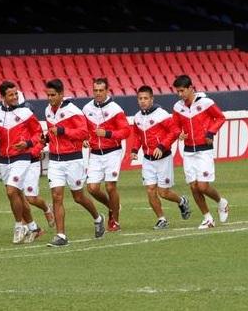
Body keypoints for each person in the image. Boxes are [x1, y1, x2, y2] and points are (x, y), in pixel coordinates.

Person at [44, 78, 105, 247]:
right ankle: (61, 235)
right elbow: (52, 133)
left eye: (53, 95)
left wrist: (63, 131)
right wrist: (46, 138)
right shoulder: (48, 110)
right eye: (48, 95)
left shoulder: (73, 111)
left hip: (73, 159)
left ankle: (98, 217)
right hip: (55, 160)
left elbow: (84, 133)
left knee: (78, 197)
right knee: (56, 196)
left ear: (62, 94)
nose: (50, 98)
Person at [0, 81, 44, 244]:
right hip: (4, 159)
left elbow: (39, 134)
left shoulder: (26, 113)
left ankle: (19, 226)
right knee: (17, 195)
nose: (14, 97)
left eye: (16, 94)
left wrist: (28, 144)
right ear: (2, 97)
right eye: (11, 95)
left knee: (11, 191)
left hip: (22, 157)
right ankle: (33, 227)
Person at [172, 75, 229, 229]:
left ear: (191, 88)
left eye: (182, 91)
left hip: (204, 149)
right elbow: (175, 125)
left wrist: (210, 132)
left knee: (203, 186)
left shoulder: (206, 103)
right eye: (177, 91)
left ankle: (221, 202)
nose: (180, 94)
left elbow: (220, 118)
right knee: (193, 186)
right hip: (189, 150)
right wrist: (179, 133)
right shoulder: (178, 107)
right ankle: (208, 218)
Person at [131, 85, 191, 229]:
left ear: (152, 99)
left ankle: (182, 201)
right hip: (147, 160)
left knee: (163, 192)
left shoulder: (161, 114)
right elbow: (137, 136)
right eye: (140, 98)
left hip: (163, 158)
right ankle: (161, 219)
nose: (143, 101)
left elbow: (175, 131)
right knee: (150, 189)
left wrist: (161, 146)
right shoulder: (137, 118)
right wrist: (134, 150)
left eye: (146, 98)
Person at [82, 78, 131, 232]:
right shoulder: (86, 108)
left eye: (101, 90)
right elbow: (83, 129)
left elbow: (126, 132)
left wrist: (107, 133)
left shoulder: (116, 109)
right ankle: (112, 207)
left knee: (110, 186)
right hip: (95, 153)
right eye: (95, 90)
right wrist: (84, 139)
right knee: (92, 188)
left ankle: (114, 220)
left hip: (113, 152)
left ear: (107, 91)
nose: (97, 93)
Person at [18, 92, 55, 228]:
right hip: (16, 160)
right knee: (18, 195)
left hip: (31, 161)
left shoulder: (32, 123)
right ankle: (26, 224)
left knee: (30, 197)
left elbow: (41, 139)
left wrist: (33, 151)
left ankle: (47, 209)